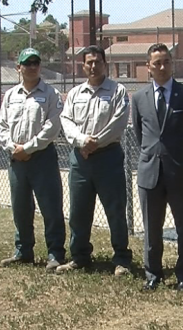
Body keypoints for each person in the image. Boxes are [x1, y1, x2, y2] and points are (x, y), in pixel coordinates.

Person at [56, 45, 133, 276]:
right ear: (83, 65)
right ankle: (79, 257)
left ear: (104, 64)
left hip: (108, 157)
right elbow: (66, 120)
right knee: (79, 211)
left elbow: (119, 122)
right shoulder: (75, 94)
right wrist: (81, 141)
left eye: (97, 61)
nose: (93, 65)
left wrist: (94, 143)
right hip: (80, 160)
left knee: (115, 210)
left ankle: (121, 259)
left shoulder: (117, 91)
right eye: (89, 62)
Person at [132, 43, 183, 291]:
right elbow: (142, 135)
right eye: (157, 63)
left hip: (180, 172)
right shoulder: (139, 98)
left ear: (172, 64)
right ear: (148, 67)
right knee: (152, 228)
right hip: (150, 172)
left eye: (166, 62)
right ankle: (153, 274)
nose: (162, 67)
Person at [0, 48, 66, 270]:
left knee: (51, 208)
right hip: (17, 160)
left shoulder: (51, 94)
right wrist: (13, 148)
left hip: (42, 158)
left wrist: (28, 148)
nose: (32, 66)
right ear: (19, 68)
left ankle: (55, 253)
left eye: (36, 62)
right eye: (27, 63)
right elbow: (2, 126)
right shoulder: (10, 95)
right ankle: (23, 251)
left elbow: (52, 127)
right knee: (20, 208)